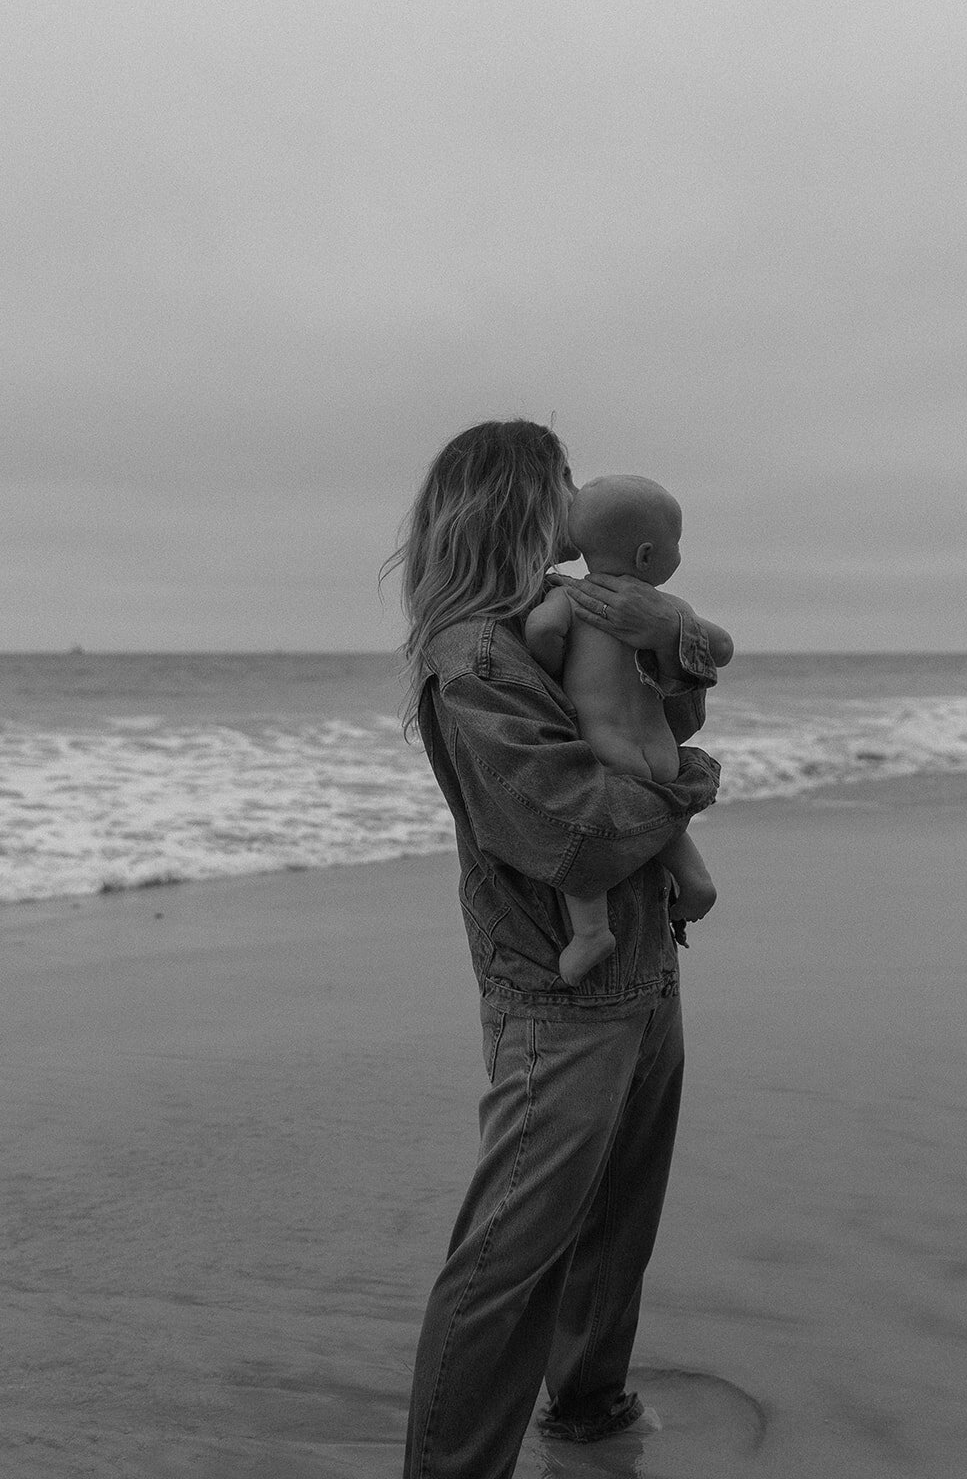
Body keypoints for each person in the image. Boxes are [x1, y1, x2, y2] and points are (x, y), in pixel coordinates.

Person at [382, 419, 731, 1479]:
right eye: (559, 496)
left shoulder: (560, 619)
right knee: (507, 1253)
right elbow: (567, 829)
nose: (574, 518)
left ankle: (584, 1407)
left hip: (639, 962)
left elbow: (669, 697)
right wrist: (690, 784)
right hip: (557, 991)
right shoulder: (476, 658)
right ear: (512, 508)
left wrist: (665, 639)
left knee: (615, 1217)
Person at [525, 474, 721, 986]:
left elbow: (542, 630)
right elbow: (719, 648)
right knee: (661, 822)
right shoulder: (667, 609)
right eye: (677, 543)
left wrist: (554, 668)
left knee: (583, 837)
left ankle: (591, 930)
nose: (680, 554)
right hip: (662, 753)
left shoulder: (570, 598)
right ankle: (696, 884)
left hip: (607, 747)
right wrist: (676, 632)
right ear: (646, 555)